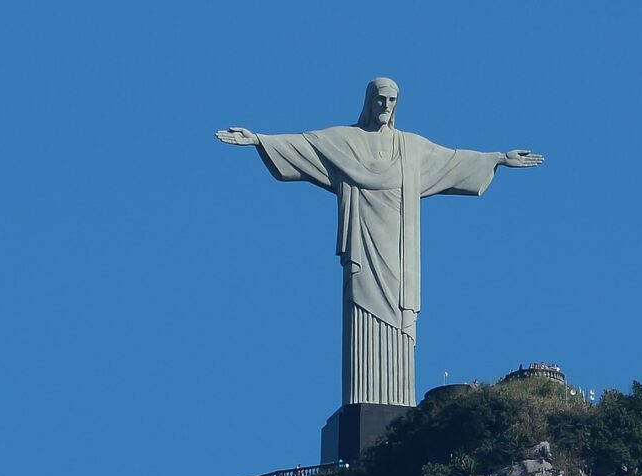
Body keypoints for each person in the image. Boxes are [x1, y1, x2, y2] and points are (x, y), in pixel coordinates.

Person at [216, 78, 543, 406]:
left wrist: (498, 158)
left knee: (401, 322)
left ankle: (398, 401)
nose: (385, 106)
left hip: (399, 256)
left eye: (392, 100)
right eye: (380, 99)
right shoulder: (345, 141)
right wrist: (259, 140)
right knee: (362, 313)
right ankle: (364, 399)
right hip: (363, 248)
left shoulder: (411, 148)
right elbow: (305, 145)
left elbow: (453, 160)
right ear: (369, 101)